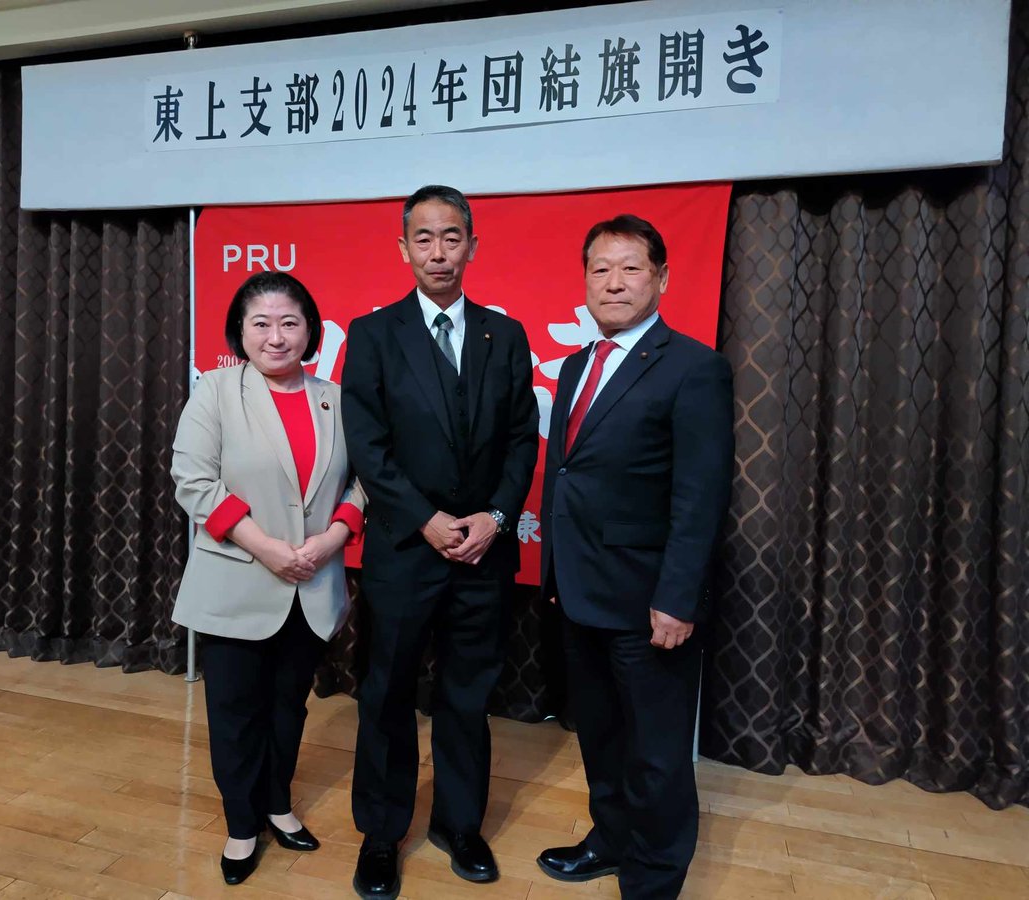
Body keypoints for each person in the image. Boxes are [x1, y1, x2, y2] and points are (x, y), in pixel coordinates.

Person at [341, 185, 539, 899]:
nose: (438, 251)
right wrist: (425, 519)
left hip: (483, 553)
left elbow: (522, 439)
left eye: (451, 237)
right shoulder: (373, 334)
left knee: (467, 694)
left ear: (472, 246)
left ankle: (459, 825)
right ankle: (381, 834)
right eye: (423, 238)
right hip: (404, 550)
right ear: (403, 249)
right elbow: (367, 446)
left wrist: (496, 515)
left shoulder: (503, 335)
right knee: (387, 693)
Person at [536, 215, 734, 899]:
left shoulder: (694, 367)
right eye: (600, 269)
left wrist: (677, 598)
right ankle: (611, 839)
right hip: (579, 592)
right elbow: (567, 475)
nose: (614, 282)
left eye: (630, 268)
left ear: (662, 278)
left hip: (650, 602)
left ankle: (653, 879)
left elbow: (700, 496)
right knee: (601, 737)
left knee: (656, 754)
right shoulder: (575, 366)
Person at [170, 271, 365, 886]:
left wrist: (334, 538)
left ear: (310, 330)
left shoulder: (337, 398)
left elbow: (365, 481)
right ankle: (241, 824)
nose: (275, 336)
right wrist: (267, 549)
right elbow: (194, 482)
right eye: (261, 323)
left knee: (288, 707)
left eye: (289, 323)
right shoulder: (216, 391)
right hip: (239, 580)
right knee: (234, 711)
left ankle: (278, 804)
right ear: (240, 332)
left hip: (313, 583)